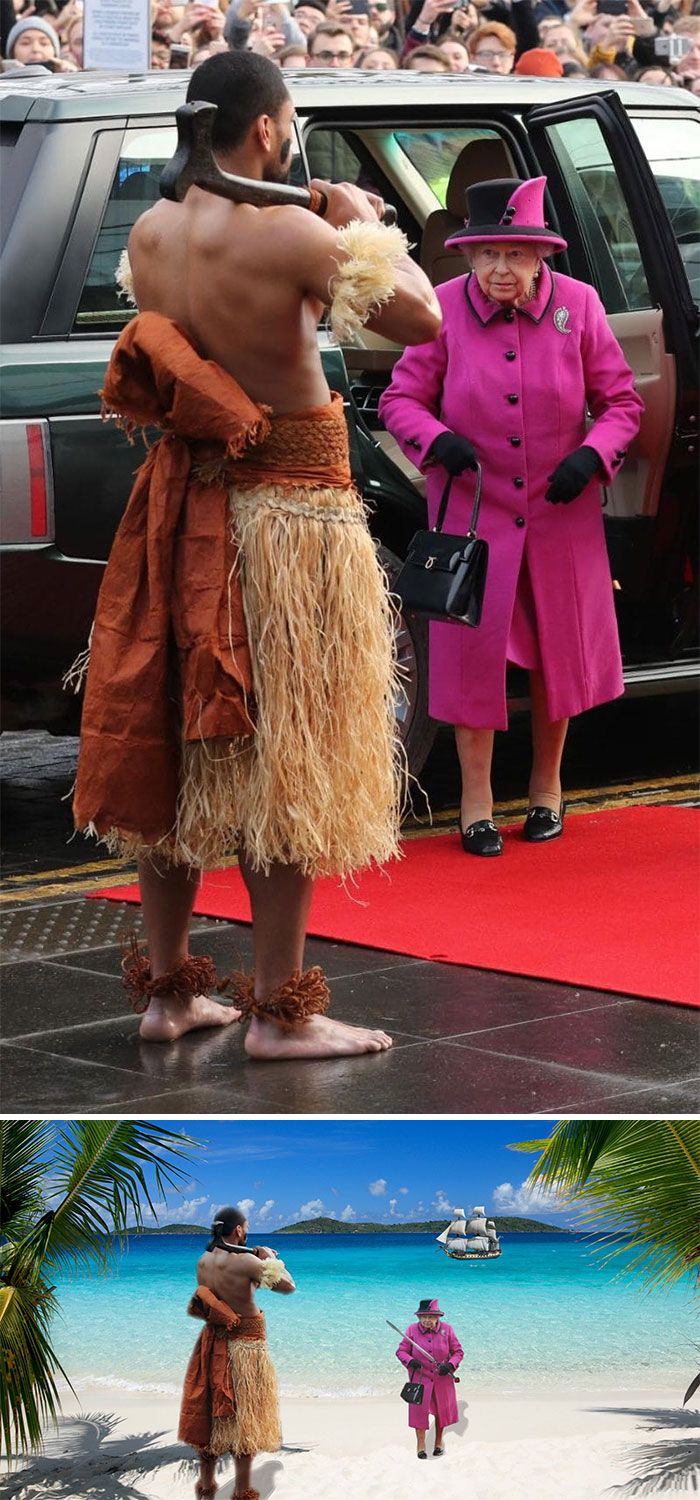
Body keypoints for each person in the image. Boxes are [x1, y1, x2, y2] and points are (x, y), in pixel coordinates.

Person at [71, 52, 441, 1049]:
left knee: (176, 753)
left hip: (181, 509)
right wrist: (358, 222)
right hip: (289, 522)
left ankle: (167, 996)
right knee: (290, 761)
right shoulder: (296, 234)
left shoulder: (152, 233)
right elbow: (421, 318)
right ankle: (281, 1015)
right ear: (269, 129)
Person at [380, 176, 643, 856]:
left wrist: (592, 456)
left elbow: (622, 404)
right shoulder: (440, 309)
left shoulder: (579, 306)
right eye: (488, 253)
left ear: (541, 255)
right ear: (468, 254)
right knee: (473, 659)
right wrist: (436, 439)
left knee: (559, 652)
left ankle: (546, 791)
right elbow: (399, 400)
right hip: (476, 517)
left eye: (516, 254)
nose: (501, 268)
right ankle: (476, 804)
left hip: (560, 514)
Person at [179, 1206, 295, 1500]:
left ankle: (206, 1484)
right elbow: (287, 1286)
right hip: (245, 1347)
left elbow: (223, 1292)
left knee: (212, 1417)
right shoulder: (247, 1261)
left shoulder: (204, 1260)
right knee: (246, 1419)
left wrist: (254, 1261)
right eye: (246, 1229)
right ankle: (243, 1490)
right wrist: (269, 1259)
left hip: (212, 1343)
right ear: (239, 1230)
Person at [396, 1298, 464, 1459]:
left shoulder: (447, 1330)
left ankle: (438, 1443)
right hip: (420, 1379)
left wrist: (451, 1365)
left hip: (442, 1378)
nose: (427, 1320)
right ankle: (421, 1446)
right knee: (419, 1412)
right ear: (419, 1317)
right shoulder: (412, 1330)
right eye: (423, 1317)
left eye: (431, 1317)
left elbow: (458, 1352)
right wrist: (410, 1361)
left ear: (437, 1317)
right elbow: (401, 1351)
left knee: (441, 1411)